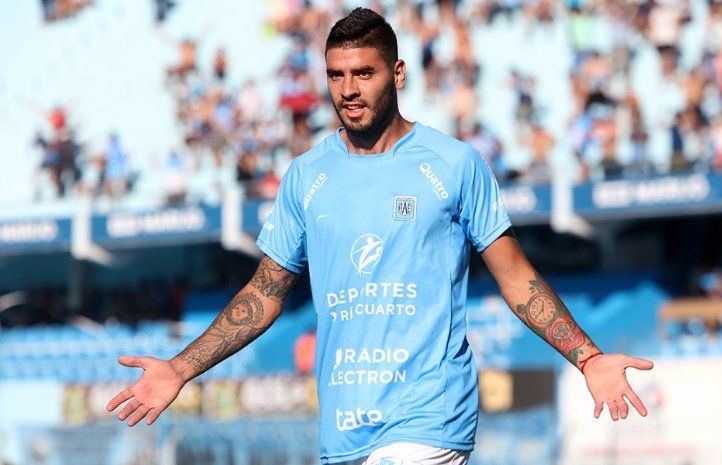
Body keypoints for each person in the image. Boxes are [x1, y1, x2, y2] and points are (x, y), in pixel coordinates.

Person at [106, 8, 654, 465]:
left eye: (363, 73)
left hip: (429, 418)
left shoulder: (454, 164)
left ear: (397, 73)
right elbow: (264, 294)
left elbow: (516, 279)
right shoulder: (306, 176)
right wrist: (181, 367)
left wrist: (588, 358)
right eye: (336, 76)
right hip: (343, 431)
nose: (348, 90)